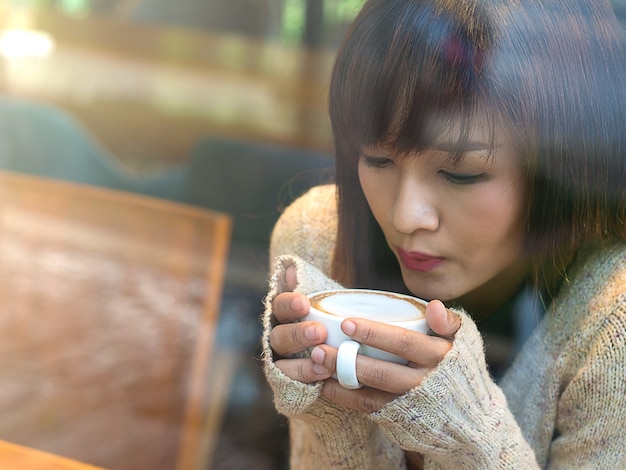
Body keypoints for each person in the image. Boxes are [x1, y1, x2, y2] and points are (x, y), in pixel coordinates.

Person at [261, 0, 626, 467]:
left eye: (460, 173)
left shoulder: (611, 318)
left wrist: (467, 438)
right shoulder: (317, 241)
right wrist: (335, 411)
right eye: (377, 159)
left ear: (561, 175)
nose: (405, 215)